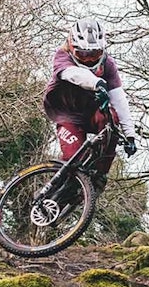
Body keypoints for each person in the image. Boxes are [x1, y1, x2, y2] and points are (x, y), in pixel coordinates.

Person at [41, 17, 138, 191]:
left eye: (94, 54)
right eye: (82, 54)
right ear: (71, 47)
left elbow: (119, 99)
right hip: (67, 116)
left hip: (92, 114)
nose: (88, 60)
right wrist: (97, 83)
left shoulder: (107, 64)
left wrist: (130, 135)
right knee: (74, 158)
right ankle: (59, 190)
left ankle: (100, 172)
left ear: (102, 50)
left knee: (112, 119)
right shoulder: (62, 56)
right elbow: (72, 73)